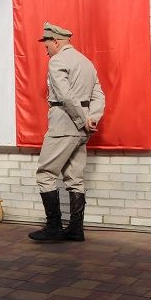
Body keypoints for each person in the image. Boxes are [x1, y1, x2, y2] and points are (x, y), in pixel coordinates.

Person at [29, 22, 105, 243]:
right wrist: (91, 119)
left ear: (56, 41)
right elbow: (99, 96)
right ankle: (75, 230)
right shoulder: (86, 62)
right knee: (75, 178)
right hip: (82, 127)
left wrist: (82, 120)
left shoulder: (57, 61)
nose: (46, 50)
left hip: (64, 124)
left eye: (47, 45)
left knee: (45, 174)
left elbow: (65, 95)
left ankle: (53, 228)